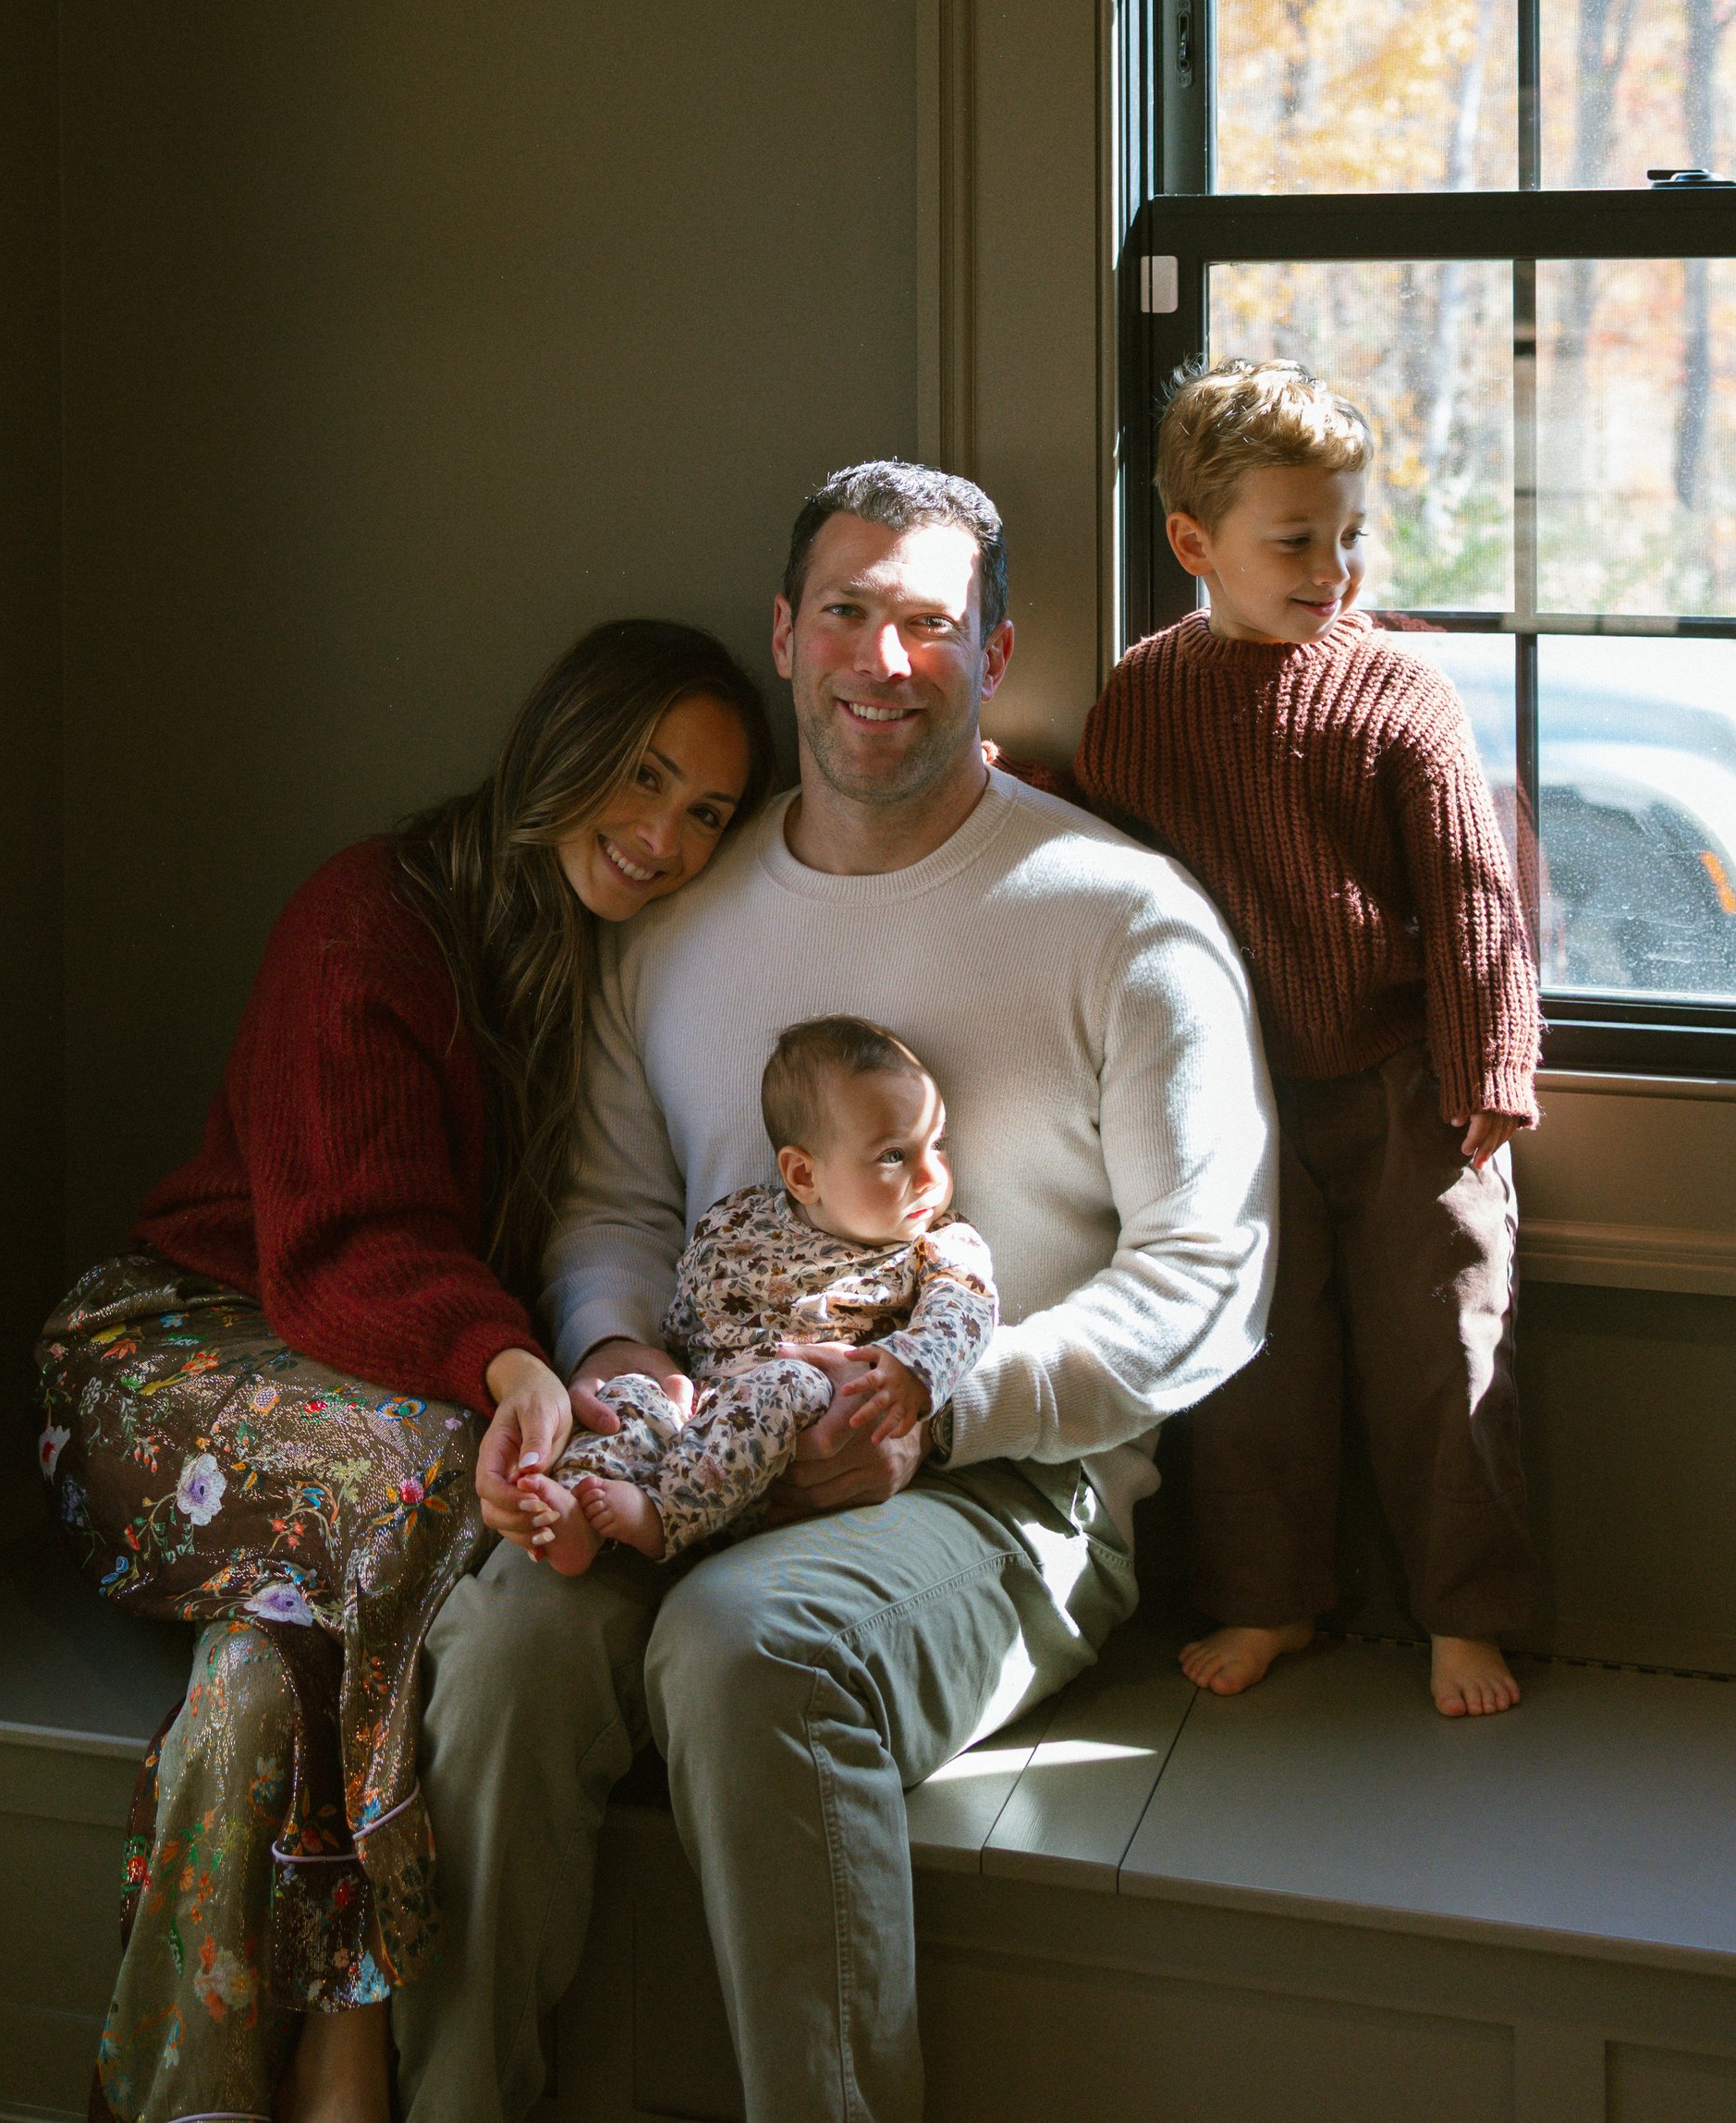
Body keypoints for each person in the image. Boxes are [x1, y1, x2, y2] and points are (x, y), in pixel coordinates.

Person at [392, 459, 1277, 2123]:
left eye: (929, 623)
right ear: (787, 636)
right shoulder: (674, 919)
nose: (883, 657)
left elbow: (1210, 1278)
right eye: (850, 613)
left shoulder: (1120, 921)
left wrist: (941, 1409)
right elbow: (608, 1208)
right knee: (505, 1640)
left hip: (1011, 1500)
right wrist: (622, 1365)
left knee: (745, 1647)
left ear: (993, 656)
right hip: (691, 1444)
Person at [37, 616, 776, 2123]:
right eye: (641, 778)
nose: (660, 838)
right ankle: (355, 2024)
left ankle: (203, 2093)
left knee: (262, 1667)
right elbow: (346, 1246)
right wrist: (506, 1364)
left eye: (705, 813)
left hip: (371, 1418)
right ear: (559, 743)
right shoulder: (365, 919)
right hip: (173, 1355)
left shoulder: (616, 966)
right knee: (446, 1474)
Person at [1074, 359, 1541, 1722]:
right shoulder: (1146, 697)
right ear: (1192, 543)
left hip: (1407, 1080)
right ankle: (1269, 1592)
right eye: (1295, 540)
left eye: (1348, 534)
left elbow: (1471, 889)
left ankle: (1466, 1608)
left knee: (1447, 1336)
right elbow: (1104, 870)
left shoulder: (1398, 689)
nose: (1332, 566)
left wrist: (1490, 1065)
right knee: (1255, 1355)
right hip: (1233, 1091)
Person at [519, 1016, 998, 1569]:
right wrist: (666, 1374)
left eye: (937, 1144)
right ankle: (575, 1504)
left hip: (805, 1430)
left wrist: (915, 1369)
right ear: (802, 1176)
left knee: (783, 1385)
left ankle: (664, 1515)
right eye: (895, 1155)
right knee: (631, 1396)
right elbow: (693, 1302)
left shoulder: (940, 1243)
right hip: (704, 1402)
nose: (930, 1175)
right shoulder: (740, 1221)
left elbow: (964, 1311)